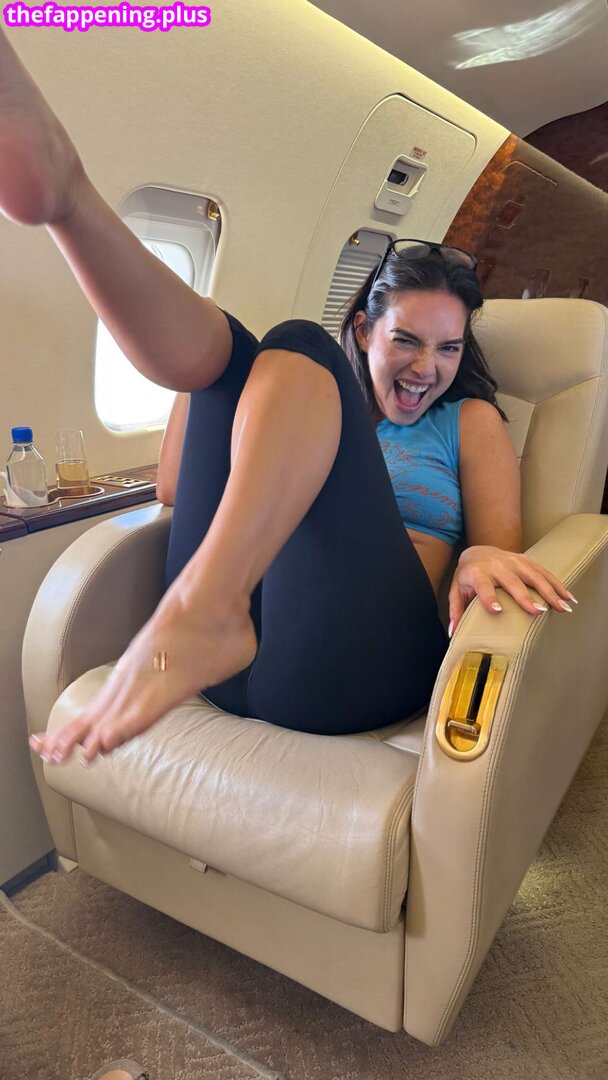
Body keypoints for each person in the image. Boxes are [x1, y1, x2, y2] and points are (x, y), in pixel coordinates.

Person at [0, 26, 575, 772]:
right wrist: (231, 380)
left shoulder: (467, 420)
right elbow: (175, 488)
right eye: (406, 340)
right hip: (230, 667)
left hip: (355, 666)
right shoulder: (304, 402)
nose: (425, 367)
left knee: (292, 339)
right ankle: (66, 201)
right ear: (364, 331)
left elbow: (498, 546)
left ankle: (207, 605)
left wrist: (478, 562)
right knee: (240, 349)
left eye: (448, 348)